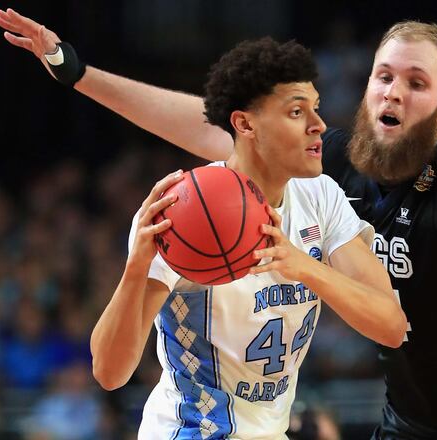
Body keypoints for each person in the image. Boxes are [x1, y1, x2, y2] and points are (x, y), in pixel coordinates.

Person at [0, 8, 437, 439]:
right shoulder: (274, 182)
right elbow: (204, 123)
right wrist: (75, 71)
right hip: (408, 418)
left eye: (416, 83)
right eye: (384, 76)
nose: (394, 92)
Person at [36, 34, 405, 438]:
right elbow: (109, 373)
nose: (319, 125)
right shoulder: (185, 212)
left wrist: (305, 268)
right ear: (245, 123)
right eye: (297, 111)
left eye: (315, 108)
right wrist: (136, 268)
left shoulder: (320, 196)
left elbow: (390, 325)